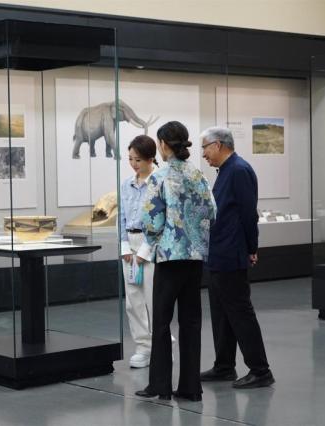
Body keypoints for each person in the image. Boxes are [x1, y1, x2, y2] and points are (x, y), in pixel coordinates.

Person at [135, 121, 216, 401]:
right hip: (195, 259)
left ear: (163, 144)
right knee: (191, 322)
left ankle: (159, 385)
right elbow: (212, 212)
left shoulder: (159, 177)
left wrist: (156, 240)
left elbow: (151, 220)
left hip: (169, 258)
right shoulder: (198, 174)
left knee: (161, 322)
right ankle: (190, 387)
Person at [199, 126, 275, 389]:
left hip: (231, 254)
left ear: (218, 145)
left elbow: (248, 214)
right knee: (221, 313)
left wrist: (251, 247)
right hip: (219, 253)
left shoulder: (239, 170)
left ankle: (261, 370)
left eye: (205, 148)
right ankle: (224, 366)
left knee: (240, 313)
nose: (203, 154)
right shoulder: (225, 171)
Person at [119, 135, 159, 368]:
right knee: (132, 301)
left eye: (138, 160)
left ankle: (162, 346)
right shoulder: (126, 184)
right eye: (131, 159)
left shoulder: (158, 182)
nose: (134, 164)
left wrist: (146, 249)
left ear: (150, 159)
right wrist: (124, 245)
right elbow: (122, 216)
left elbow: (160, 219)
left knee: (153, 300)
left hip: (151, 244)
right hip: (130, 243)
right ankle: (143, 347)